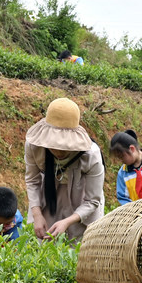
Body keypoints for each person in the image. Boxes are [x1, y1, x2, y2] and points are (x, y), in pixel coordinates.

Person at [24, 98, 104, 240]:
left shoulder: (91, 155)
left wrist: (68, 221)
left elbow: (92, 200)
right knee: (47, 245)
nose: (59, 151)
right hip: (50, 195)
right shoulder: (34, 147)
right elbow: (32, 181)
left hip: (82, 200)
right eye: (54, 144)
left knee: (80, 247)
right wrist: (37, 215)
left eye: (64, 146)